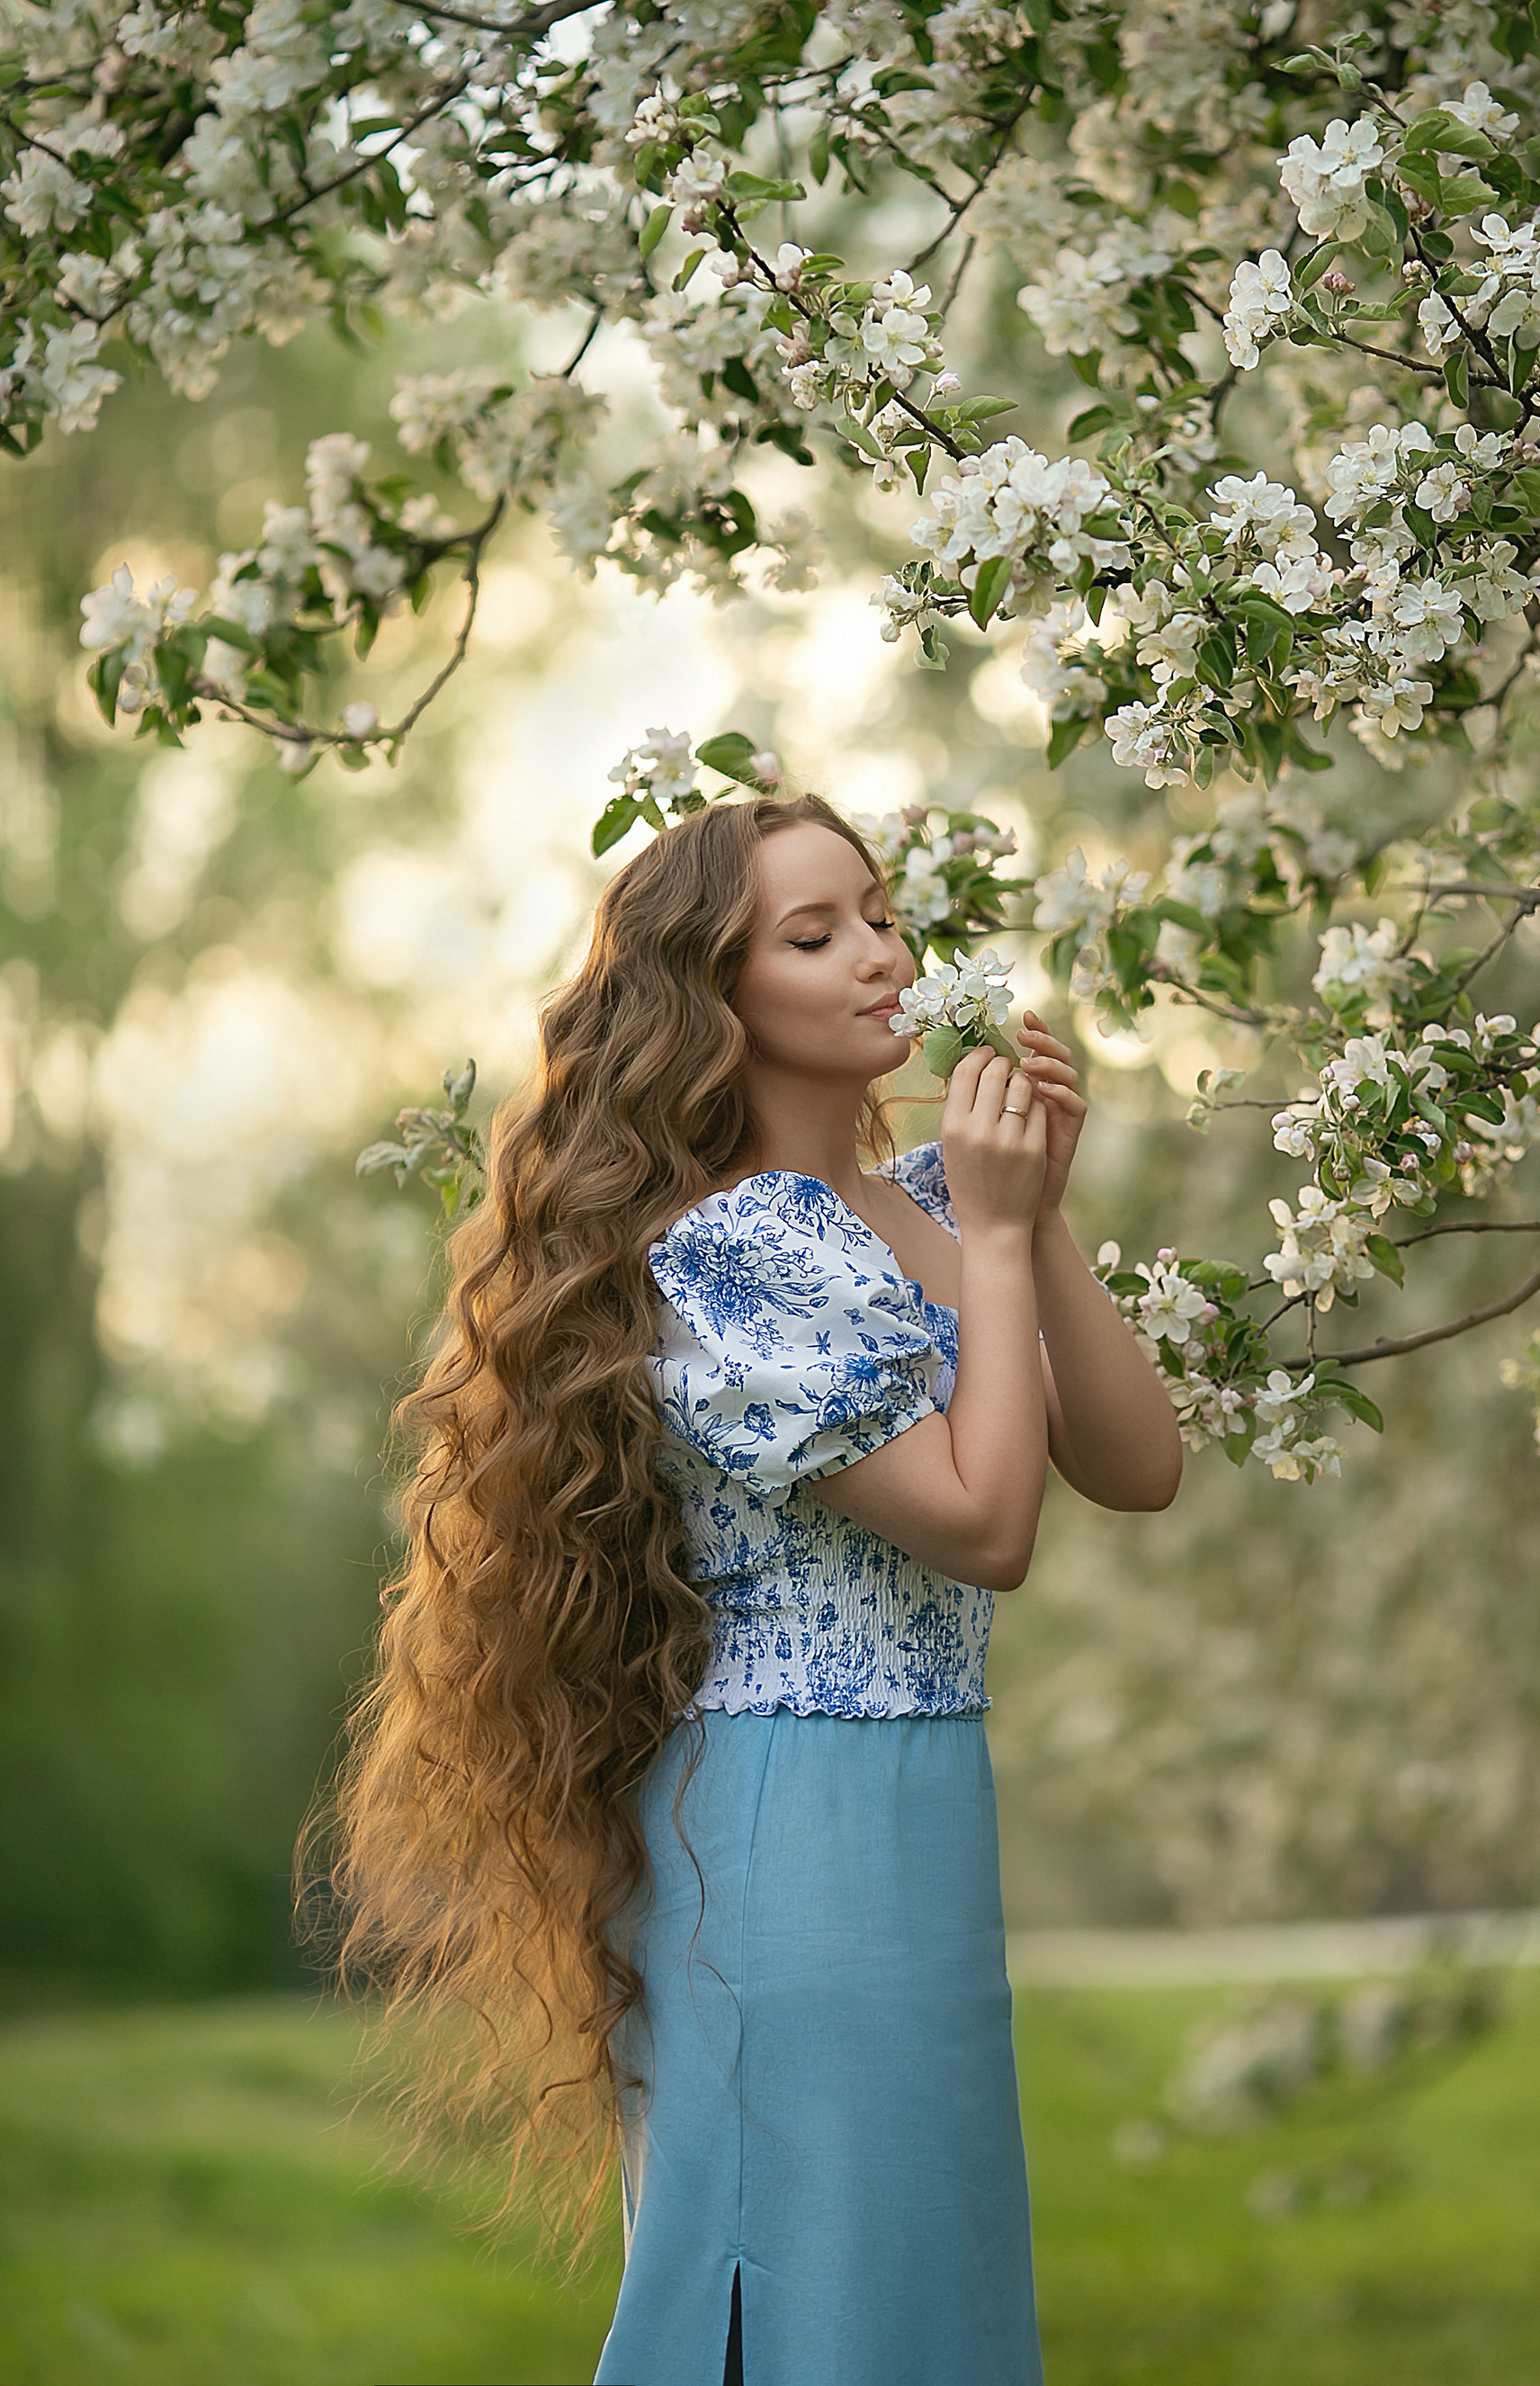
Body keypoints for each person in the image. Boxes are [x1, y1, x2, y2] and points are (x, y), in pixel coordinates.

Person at [327, 793, 1183, 2386]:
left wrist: (1035, 1215)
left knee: (924, 2272)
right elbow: (986, 1525)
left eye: (878, 916)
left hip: (920, 1795)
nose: (881, 957)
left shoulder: (934, 1206)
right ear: (710, 1002)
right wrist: (995, 1247)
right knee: (802, 2279)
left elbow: (1139, 1466)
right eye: (815, 934)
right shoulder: (722, 1255)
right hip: (784, 1819)